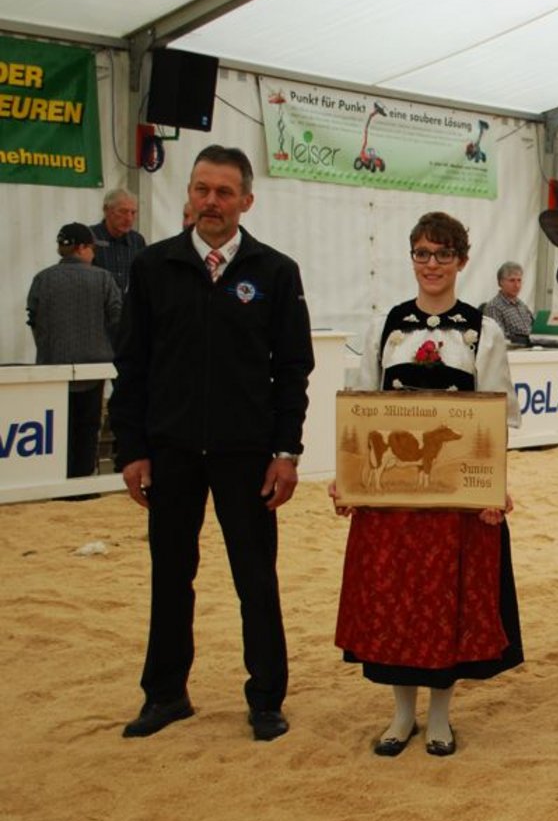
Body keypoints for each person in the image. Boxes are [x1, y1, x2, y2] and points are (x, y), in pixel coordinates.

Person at [110, 145, 314, 742]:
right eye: (202, 189)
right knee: (170, 576)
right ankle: (166, 694)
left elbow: (293, 370)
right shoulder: (153, 267)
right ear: (190, 194)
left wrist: (286, 452)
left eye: (224, 192)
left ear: (246, 201)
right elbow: (133, 366)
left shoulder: (275, 272)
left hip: (247, 455)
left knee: (256, 579)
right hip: (170, 451)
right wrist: (132, 449)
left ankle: (266, 698)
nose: (211, 202)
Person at [330, 212, 523, 757]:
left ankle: (439, 715)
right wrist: (348, 482)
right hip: (392, 500)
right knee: (394, 602)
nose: (431, 264)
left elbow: (497, 417)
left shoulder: (483, 333)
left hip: (455, 500)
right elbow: (359, 409)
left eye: (442, 254)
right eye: (421, 253)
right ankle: (400, 714)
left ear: (462, 260)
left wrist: (493, 490)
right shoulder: (383, 327)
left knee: (446, 604)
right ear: (411, 258)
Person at [26, 222, 122, 481]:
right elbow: (117, 320)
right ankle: (83, 485)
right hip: (94, 369)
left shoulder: (42, 279)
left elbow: (33, 320)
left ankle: (57, 482)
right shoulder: (102, 278)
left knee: (55, 432)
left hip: (52, 370)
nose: (94, 253)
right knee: (87, 429)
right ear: (81, 248)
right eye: (91, 248)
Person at [90, 188, 147, 294]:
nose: (129, 218)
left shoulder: (137, 240)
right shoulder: (90, 237)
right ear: (106, 210)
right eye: (123, 211)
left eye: (133, 212)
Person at [481, 260, 534, 343]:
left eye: (519, 280)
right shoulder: (494, 307)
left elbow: (535, 329)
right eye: (512, 280)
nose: (517, 285)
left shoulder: (522, 305)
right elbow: (497, 339)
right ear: (501, 282)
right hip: (513, 352)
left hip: (532, 349)